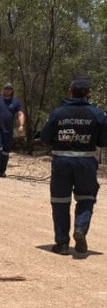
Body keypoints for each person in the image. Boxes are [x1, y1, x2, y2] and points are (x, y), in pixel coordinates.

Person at [39, 77, 107, 255]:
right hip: (86, 162)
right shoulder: (98, 114)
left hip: (61, 162)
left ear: (70, 92)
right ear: (89, 93)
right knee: (86, 198)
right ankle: (80, 228)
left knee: (60, 201)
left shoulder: (58, 113)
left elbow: (45, 138)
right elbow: (104, 140)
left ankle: (62, 244)